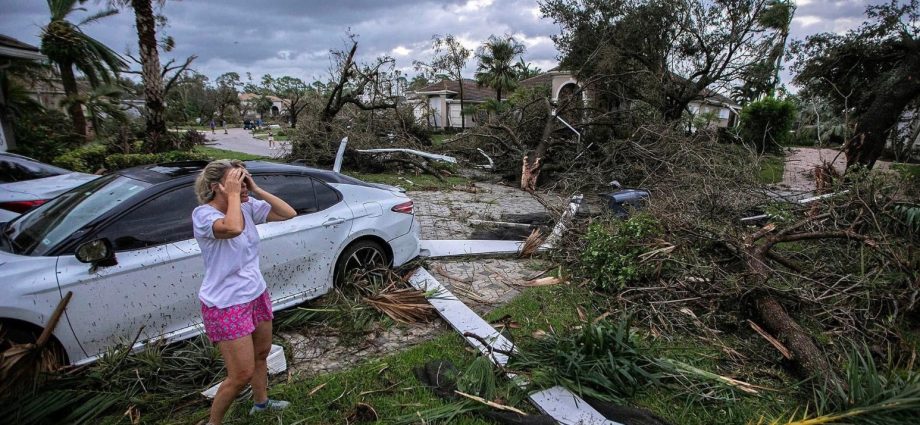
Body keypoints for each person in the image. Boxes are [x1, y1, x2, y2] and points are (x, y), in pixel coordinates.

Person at [192, 160, 296, 425]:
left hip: (255, 293)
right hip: (226, 303)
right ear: (218, 187)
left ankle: (261, 404)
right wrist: (236, 195)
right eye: (236, 181)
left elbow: (288, 213)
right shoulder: (204, 215)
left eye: (243, 179)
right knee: (240, 374)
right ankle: (213, 423)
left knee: (262, 354)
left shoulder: (247, 206)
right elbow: (232, 228)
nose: (242, 185)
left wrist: (255, 189)